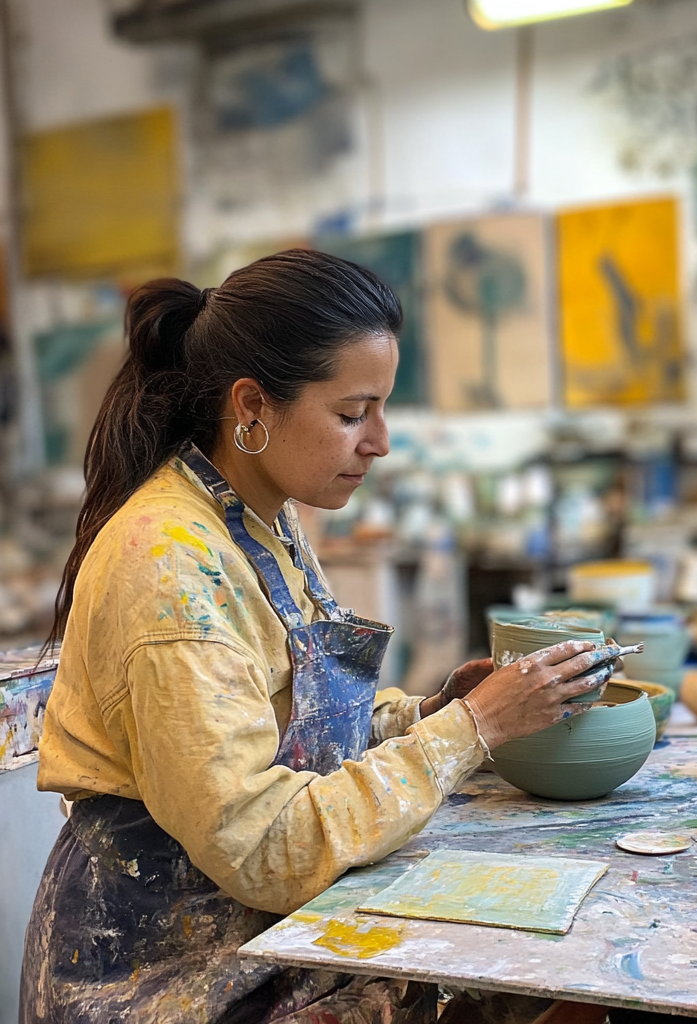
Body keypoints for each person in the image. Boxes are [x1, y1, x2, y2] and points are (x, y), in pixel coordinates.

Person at [20, 249, 615, 1024]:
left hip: (256, 924)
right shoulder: (167, 566)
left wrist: (434, 713)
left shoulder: (263, 518)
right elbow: (260, 844)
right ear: (253, 408)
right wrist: (474, 731)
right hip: (160, 968)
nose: (381, 441)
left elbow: (290, 730)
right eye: (351, 413)